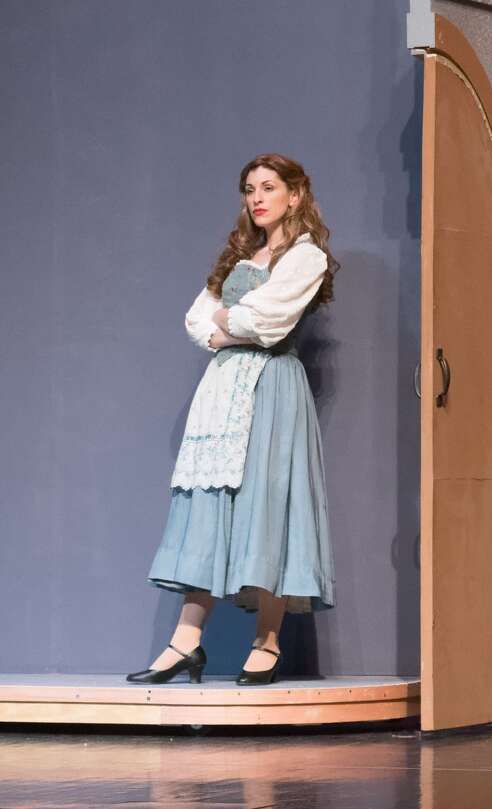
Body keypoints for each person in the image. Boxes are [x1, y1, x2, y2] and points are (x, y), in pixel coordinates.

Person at [127, 154, 337, 686]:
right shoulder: (243, 255)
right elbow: (197, 319)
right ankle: (186, 642)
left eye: (269, 187)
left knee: (265, 507)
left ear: (294, 194)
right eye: (249, 189)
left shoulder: (306, 257)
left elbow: (266, 322)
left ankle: (266, 641)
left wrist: (229, 323)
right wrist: (227, 325)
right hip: (223, 390)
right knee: (211, 505)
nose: (257, 198)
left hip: (271, 388)